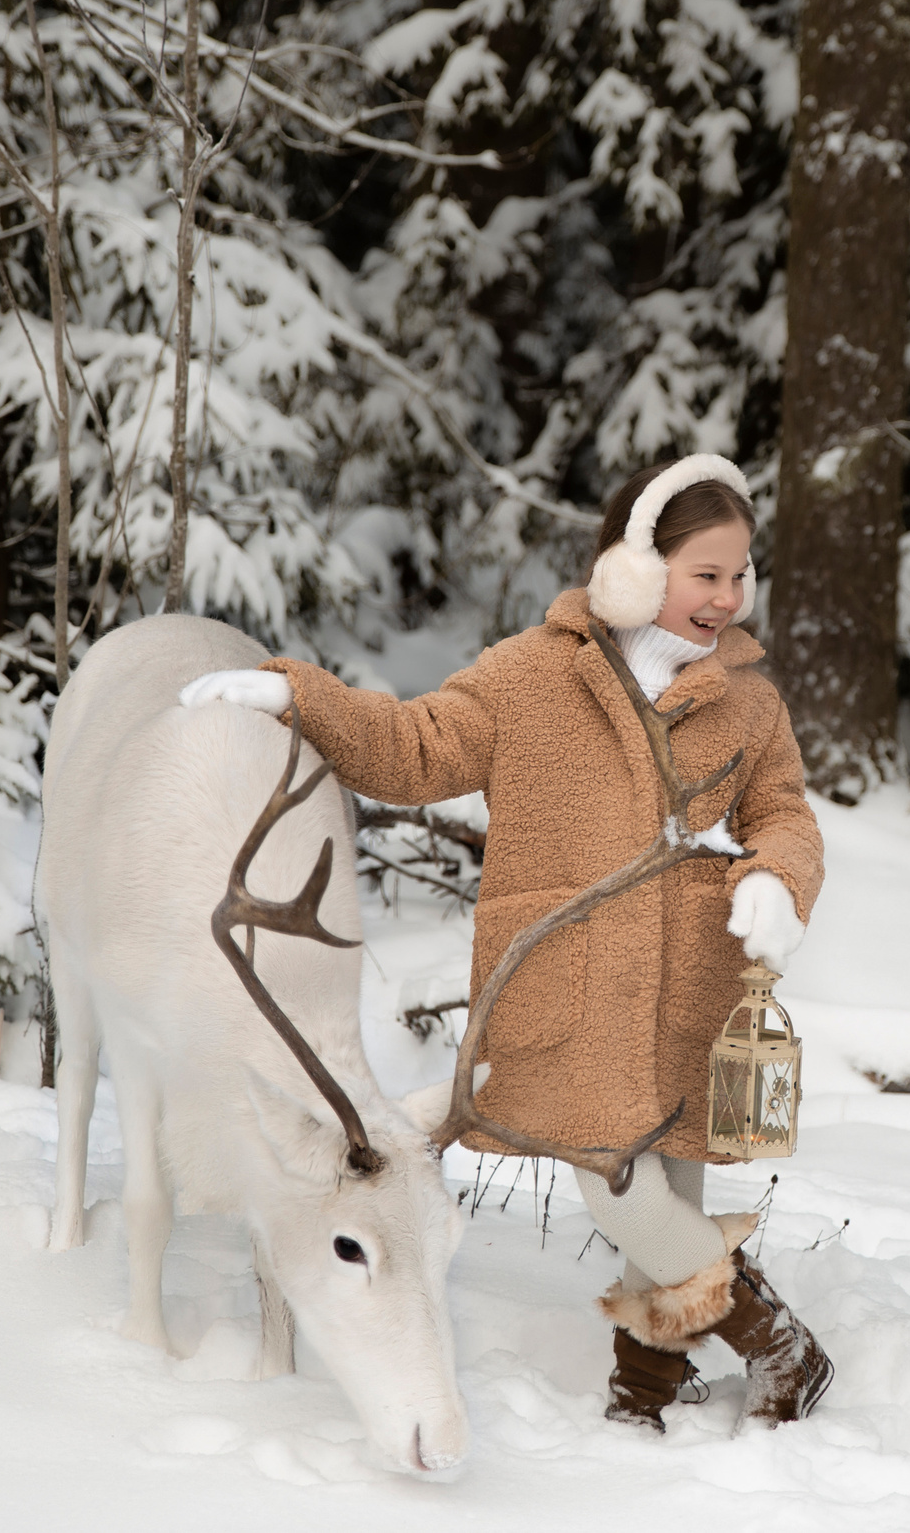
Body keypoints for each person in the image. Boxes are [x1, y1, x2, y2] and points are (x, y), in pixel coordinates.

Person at [179, 455, 832, 1435]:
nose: (728, 598)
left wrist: (777, 877)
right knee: (621, 1192)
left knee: (669, 1189)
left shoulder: (746, 703)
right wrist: (296, 698)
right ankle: (778, 1344)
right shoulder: (534, 678)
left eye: (742, 574)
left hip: (689, 991)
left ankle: (643, 1391)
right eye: (707, 573)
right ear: (637, 566)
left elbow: (784, 814)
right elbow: (415, 744)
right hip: (566, 993)